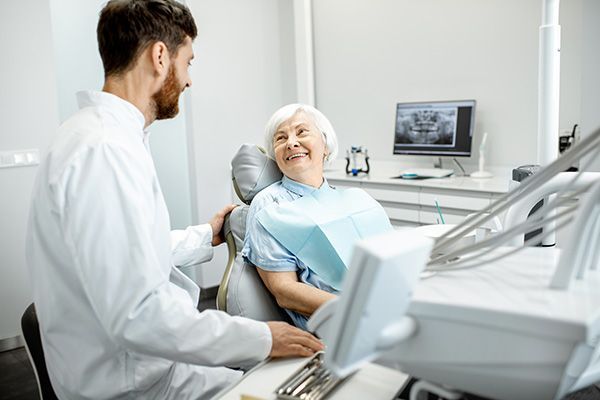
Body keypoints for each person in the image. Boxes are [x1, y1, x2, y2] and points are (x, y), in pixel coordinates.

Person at [25, 1, 322, 399]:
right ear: (160, 56)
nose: (188, 80)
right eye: (189, 62)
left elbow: (121, 255)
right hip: (132, 385)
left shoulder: (92, 135)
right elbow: (139, 314)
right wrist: (262, 337)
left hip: (150, 367)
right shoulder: (104, 151)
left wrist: (204, 236)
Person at [241, 104, 392, 330]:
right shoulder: (270, 204)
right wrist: (359, 310)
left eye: (302, 132)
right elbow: (285, 291)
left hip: (387, 305)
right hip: (341, 323)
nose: (291, 142)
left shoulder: (355, 199)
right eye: (280, 138)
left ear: (326, 146)